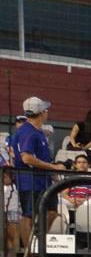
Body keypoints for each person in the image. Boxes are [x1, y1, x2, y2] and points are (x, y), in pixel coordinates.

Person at [12, 97, 64, 248]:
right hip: (29, 180)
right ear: (42, 113)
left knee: (52, 211)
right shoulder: (28, 132)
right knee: (28, 215)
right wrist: (53, 167)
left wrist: (52, 173)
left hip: (43, 180)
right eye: (45, 110)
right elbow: (27, 158)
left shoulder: (38, 132)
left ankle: (38, 240)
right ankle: (30, 252)